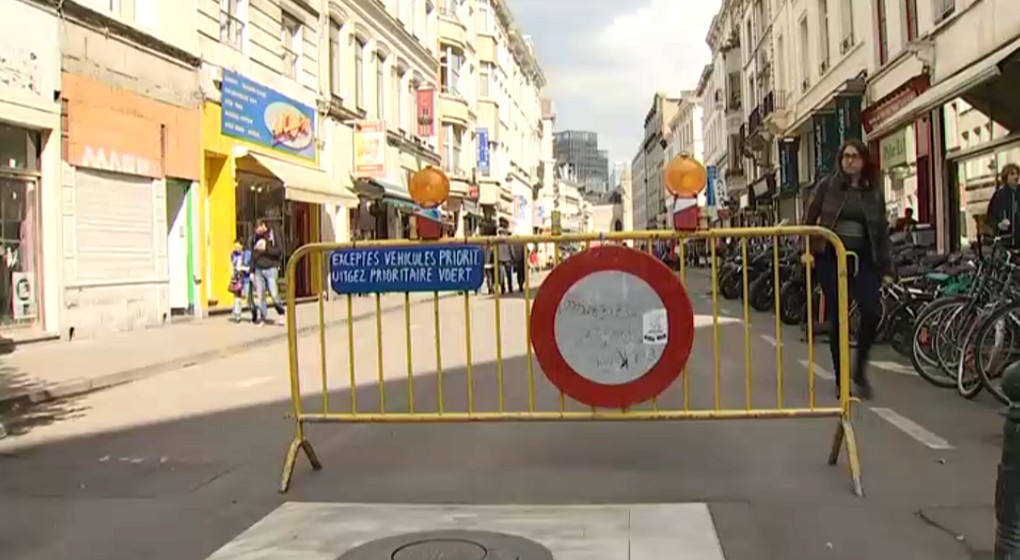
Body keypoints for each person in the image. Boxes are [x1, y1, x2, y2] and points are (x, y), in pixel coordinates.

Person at [803, 138, 893, 400]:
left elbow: (881, 231)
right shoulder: (828, 186)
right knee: (839, 318)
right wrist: (806, 250)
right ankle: (842, 379)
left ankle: (859, 371)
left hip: (864, 258)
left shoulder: (872, 191)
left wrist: (886, 268)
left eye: (855, 156)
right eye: (846, 156)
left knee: (871, 311)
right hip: (832, 258)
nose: (850, 161)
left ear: (863, 160)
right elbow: (810, 217)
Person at [251, 221, 286, 326]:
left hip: (271, 268)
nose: (257, 232)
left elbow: (279, 251)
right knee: (260, 295)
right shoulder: (255, 237)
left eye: (258, 229)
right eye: (256, 230)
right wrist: (251, 271)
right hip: (258, 268)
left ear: (263, 226)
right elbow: (253, 254)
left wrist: (266, 248)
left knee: (274, 293)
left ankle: (281, 313)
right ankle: (262, 318)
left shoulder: (273, 234)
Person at [987, 163, 1020, 247]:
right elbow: (990, 216)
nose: (1016, 177)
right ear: (1006, 177)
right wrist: (998, 224)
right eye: (1012, 174)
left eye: (1017, 174)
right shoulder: (999, 196)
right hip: (1004, 241)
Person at [228, 239, 255, 323]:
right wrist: (232, 273)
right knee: (237, 298)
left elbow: (252, 266)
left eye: (238, 246)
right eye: (235, 246)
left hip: (246, 278)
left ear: (242, 246)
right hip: (237, 278)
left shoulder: (248, 254)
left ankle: (254, 314)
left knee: (248, 298)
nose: (236, 248)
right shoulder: (233, 254)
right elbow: (231, 264)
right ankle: (237, 315)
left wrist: (244, 269)